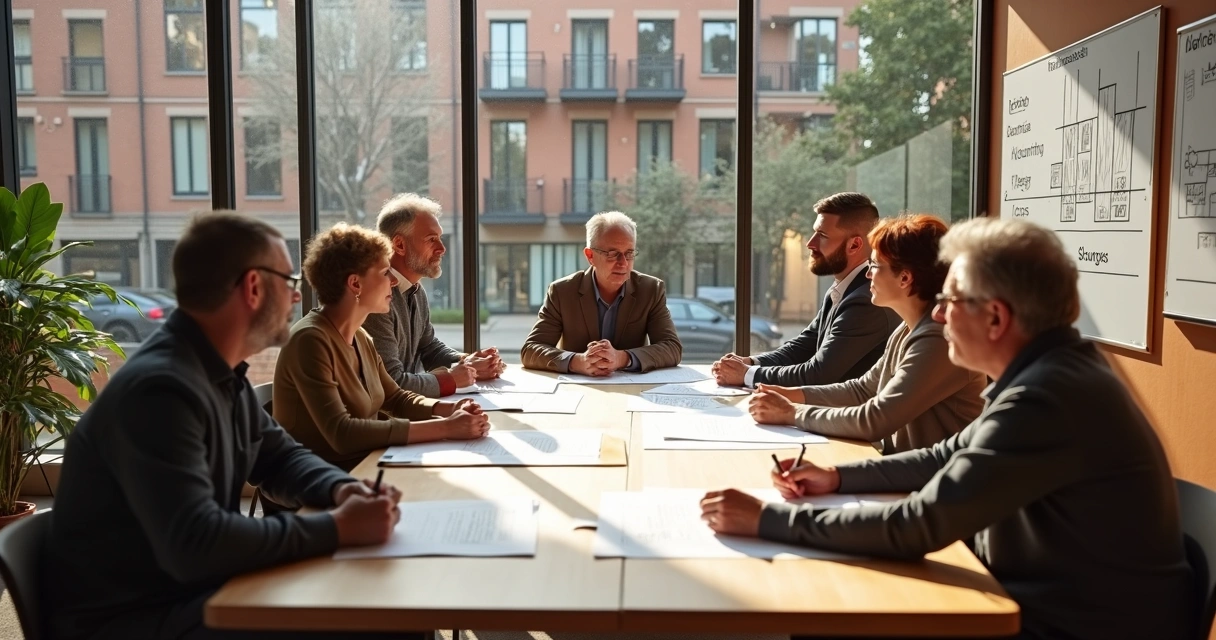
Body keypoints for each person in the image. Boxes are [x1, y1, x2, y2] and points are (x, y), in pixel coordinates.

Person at [700, 218, 1196, 640]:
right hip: (1043, 594)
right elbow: (946, 455)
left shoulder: (1047, 398)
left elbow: (921, 524)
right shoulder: (1054, 371)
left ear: (996, 318)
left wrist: (768, 521)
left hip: (1071, 625)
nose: (938, 312)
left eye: (952, 299)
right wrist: (838, 479)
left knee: (833, 610)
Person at [43, 212, 426, 640]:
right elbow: (197, 543)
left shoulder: (215, 371)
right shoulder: (161, 391)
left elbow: (281, 457)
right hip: (139, 620)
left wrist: (341, 489)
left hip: (189, 593)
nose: (297, 299)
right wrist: (337, 526)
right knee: (379, 619)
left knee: (387, 607)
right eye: (290, 283)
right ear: (254, 287)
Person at [748, 214, 985, 454]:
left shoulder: (939, 339)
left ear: (905, 277)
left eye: (873, 265)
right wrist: (791, 394)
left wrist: (791, 412)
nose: (868, 274)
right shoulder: (906, 329)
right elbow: (862, 390)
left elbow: (875, 420)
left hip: (929, 481)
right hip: (901, 470)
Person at [275, 223, 490, 472]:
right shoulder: (309, 341)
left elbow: (396, 398)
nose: (393, 282)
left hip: (363, 464)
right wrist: (445, 427)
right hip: (320, 478)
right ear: (355, 284)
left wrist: (450, 408)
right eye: (385, 272)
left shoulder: (361, 336)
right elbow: (342, 433)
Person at [712, 192, 899, 388]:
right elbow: (802, 346)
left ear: (854, 244)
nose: (811, 243)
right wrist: (749, 363)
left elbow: (818, 373)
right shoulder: (842, 289)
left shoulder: (867, 301)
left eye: (822, 235)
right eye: (814, 232)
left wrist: (747, 375)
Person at [363, 193, 504, 398]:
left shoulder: (416, 289)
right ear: (399, 245)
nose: (442, 248)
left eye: (440, 238)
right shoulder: (375, 299)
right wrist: (452, 378)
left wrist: (468, 362)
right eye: (431, 239)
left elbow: (428, 347)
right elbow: (392, 382)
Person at [521, 211, 682, 374]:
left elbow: (672, 348)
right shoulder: (562, 292)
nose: (623, 263)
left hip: (633, 393)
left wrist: (621, 358)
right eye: (613, 254)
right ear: (590, 256)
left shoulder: (651, 290)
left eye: (629, 253)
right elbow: (531, 350)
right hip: (578, 391)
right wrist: (577, 362)